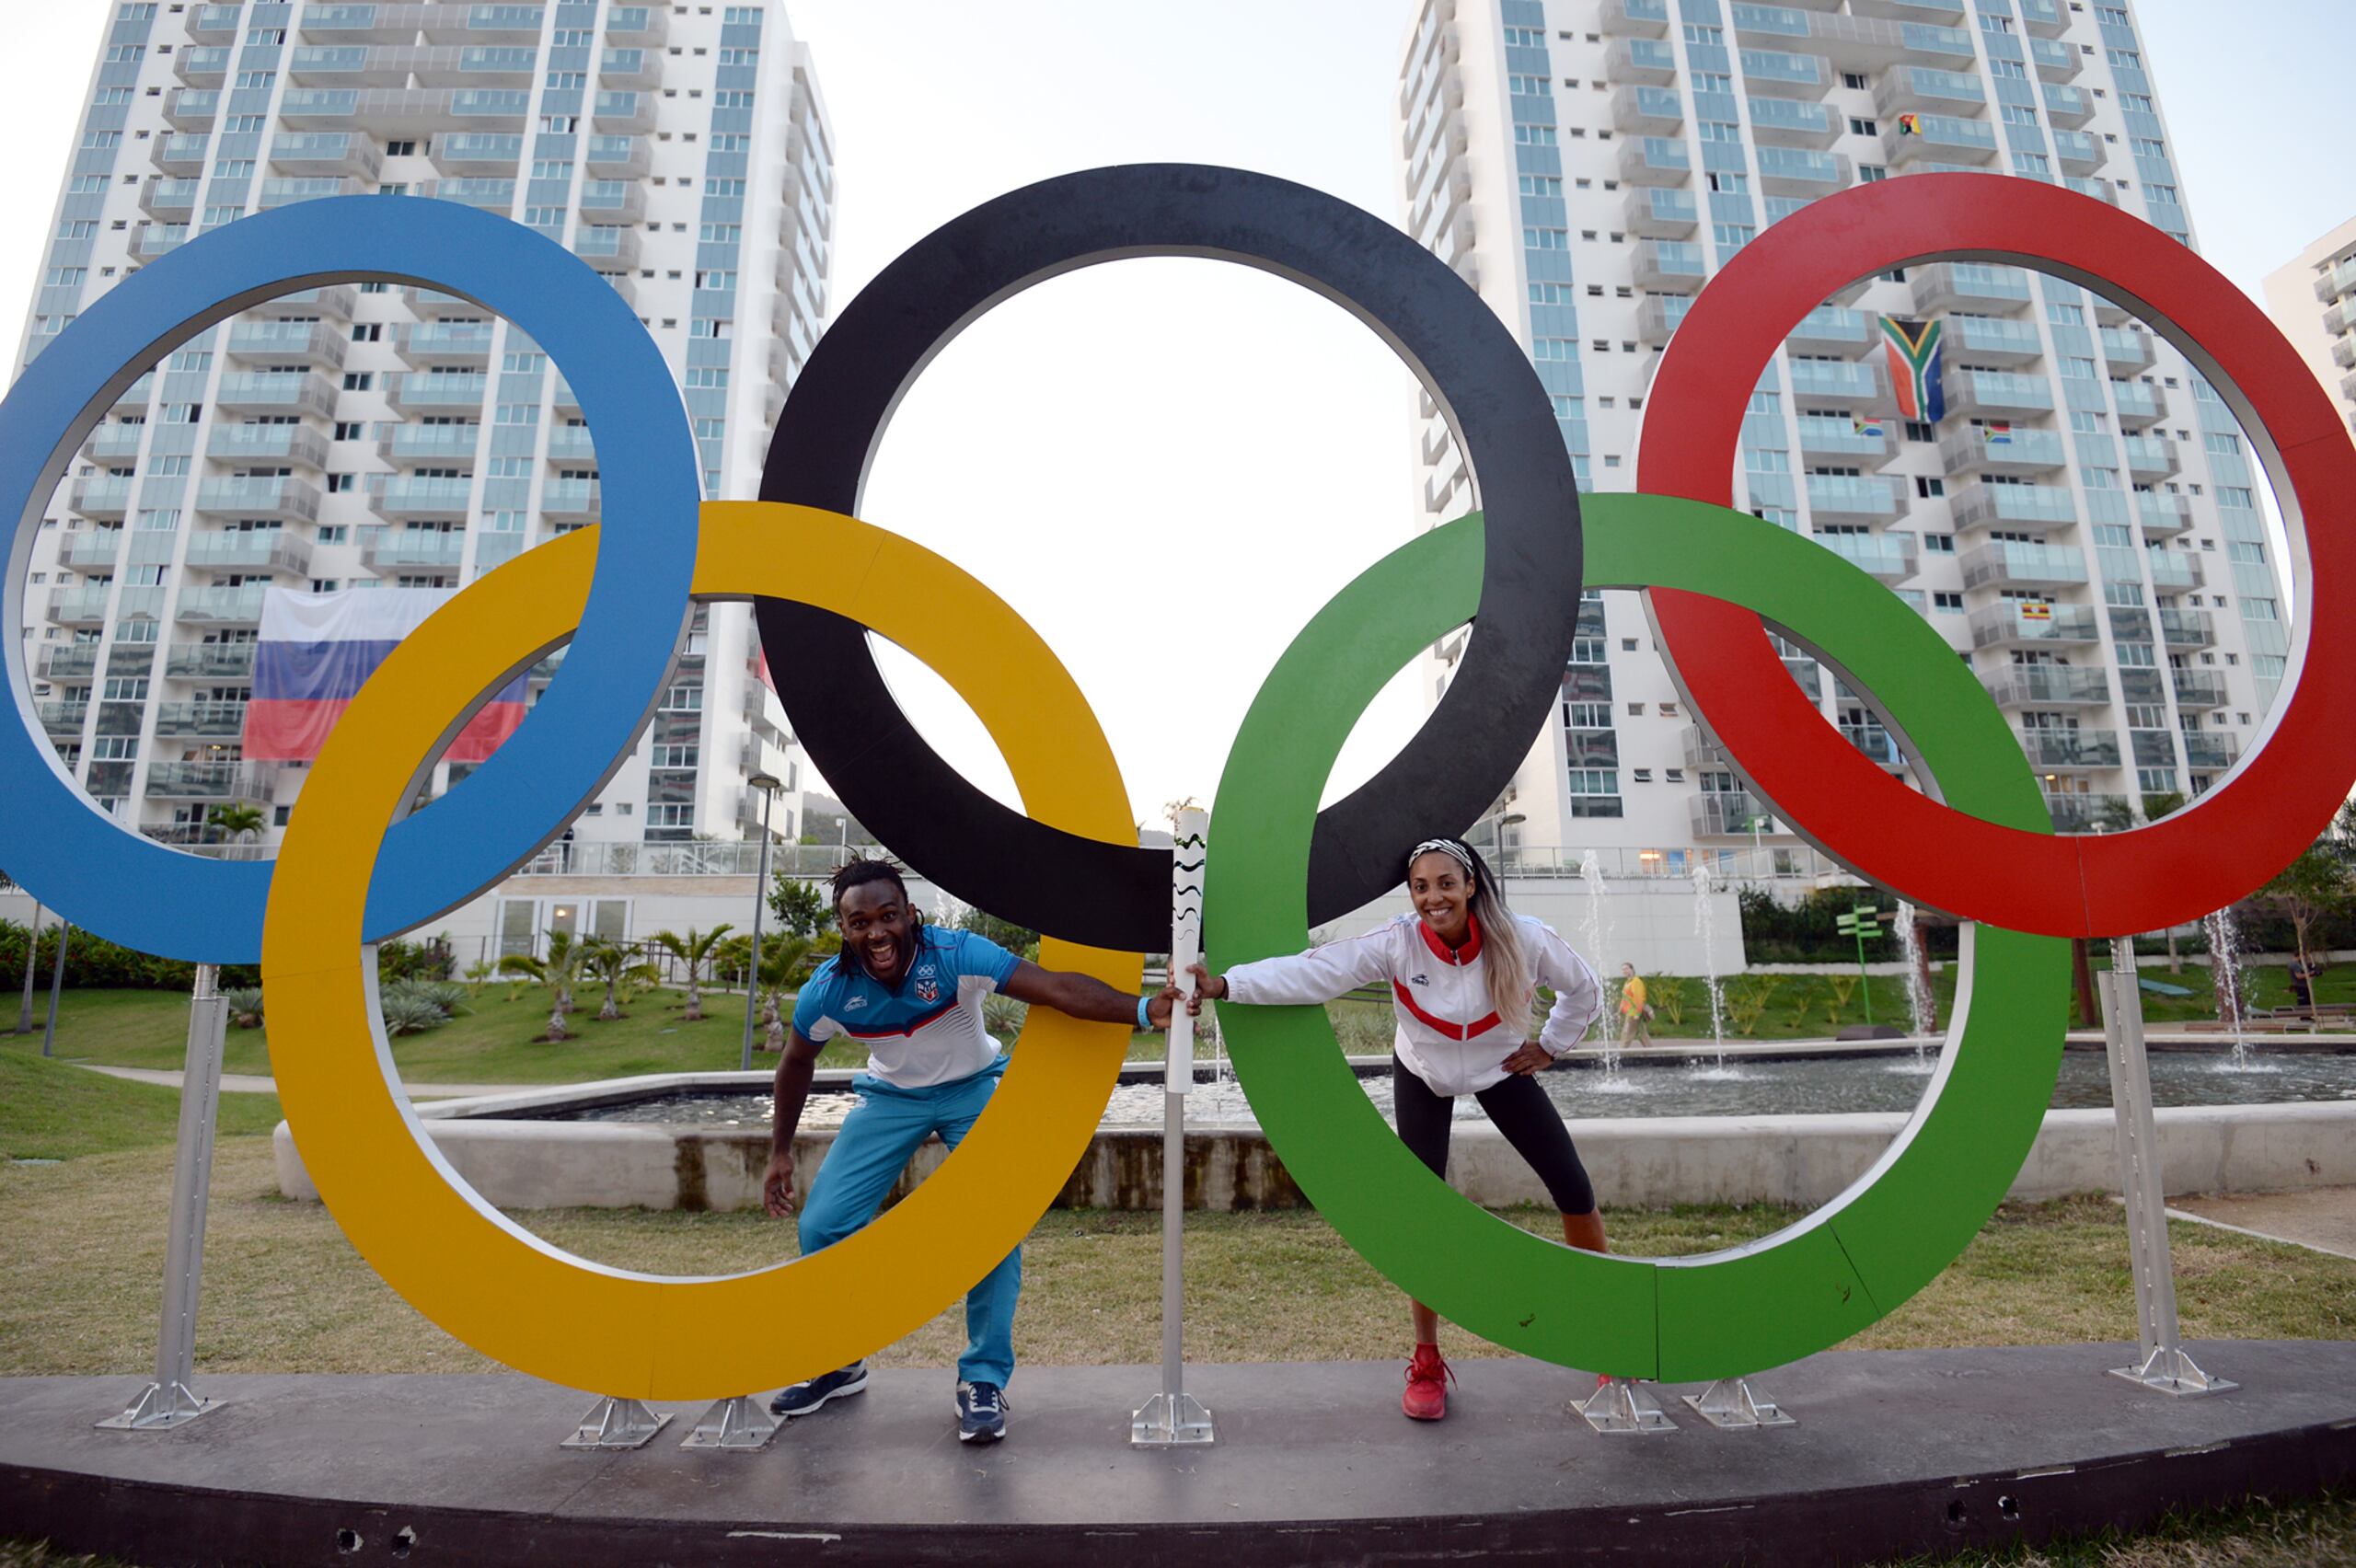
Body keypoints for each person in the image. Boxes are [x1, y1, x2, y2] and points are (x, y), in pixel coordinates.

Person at [1185, 836, 1607, 1422]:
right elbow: (1316, 974)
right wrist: (1226, 985)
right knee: (1422, 1213)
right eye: (1421, 887)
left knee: (1572, 1186)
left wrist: (1551, 1047)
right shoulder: (1398, 942)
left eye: (1445, 884)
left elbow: (1585, 989)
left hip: (1501, 1070)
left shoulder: (1524, 936)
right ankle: (1428, 1358)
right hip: (1423, 1073)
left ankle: (1612, 1332)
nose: (1434, 898)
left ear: (1471, 886)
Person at [760, 859, 1180, 1446]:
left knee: (993, 1226)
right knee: (823, 1225)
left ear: (910, 914)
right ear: (844, 929)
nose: (876, 932)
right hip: (891, 1098)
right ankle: (838, 1362)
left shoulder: (956, 955)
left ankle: (982, 1379)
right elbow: (796, 1062)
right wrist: (780, 1151)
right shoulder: (830, 990)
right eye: (860, 923)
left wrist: (1141, 1010)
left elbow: (1056, 989)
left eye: (887, 916)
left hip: (972, 1090)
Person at [1617, 963, 1651, 1050]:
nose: (1624, 971)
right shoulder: (1628, 982)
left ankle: (1621, 1052)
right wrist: (1619, 1011)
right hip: (1630, 1012)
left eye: (1626, 968)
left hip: (1634, 1013)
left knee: (1627, 1033)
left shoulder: (1636, 982)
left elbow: (1638, 998)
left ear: (1632, 969)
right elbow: (1624, 998)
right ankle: (1651, 1051)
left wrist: (1638, 1013)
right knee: (1642, 1034)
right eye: (1623, 969)